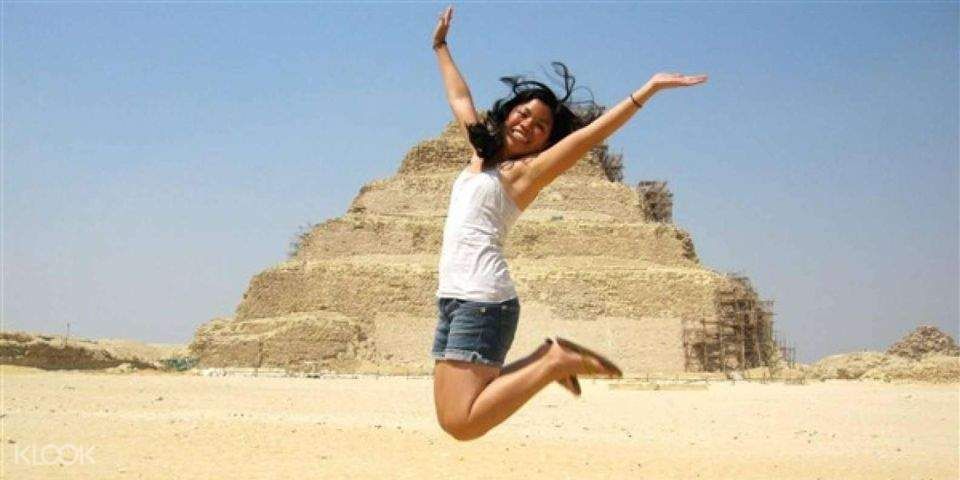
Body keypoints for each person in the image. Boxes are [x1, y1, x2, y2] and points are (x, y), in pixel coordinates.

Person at [429, 6, 708, 441]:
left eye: (541, 126)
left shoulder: (525, 173)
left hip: (482, 298)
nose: (528, 126)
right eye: (524, 114)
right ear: (508, 112)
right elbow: (460, 99)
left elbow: (589, 137)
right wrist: (441, 47)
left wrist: (647, 90)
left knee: (462, 424)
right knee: (451, 415)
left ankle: (553, 362)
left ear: (547, 139)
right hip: (453, 297)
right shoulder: (480, 154)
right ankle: (550, 357)